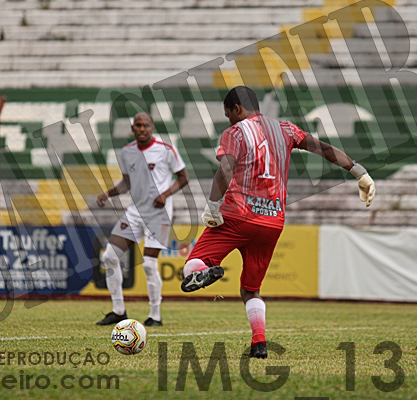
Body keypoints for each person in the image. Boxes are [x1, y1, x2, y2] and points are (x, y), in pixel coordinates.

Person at [180, 86, 376, 358]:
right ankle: (259, 343)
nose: (229, 120)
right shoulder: (286, 129)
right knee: (251, 290)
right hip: (272, 221)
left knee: (191, 266)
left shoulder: (235, 132)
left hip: (237, 216)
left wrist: (212, 206)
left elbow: (225, 168)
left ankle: (205, 271)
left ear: (237, 109)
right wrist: (359, 172)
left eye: (229, 114)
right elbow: (323, 148)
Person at [96, 112, 189, 326]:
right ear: (133, 128)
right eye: (137, 125)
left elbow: (184, 177)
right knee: (110, 256)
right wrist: (108, 194)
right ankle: (118, 311)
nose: (141, 129)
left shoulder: (166, 150)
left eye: (145, 125)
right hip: (135, 212)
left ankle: (155, 315)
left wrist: (165, 194)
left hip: (159, 214)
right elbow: (126, 183)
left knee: (148, 264)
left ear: (152, 127)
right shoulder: (127, 152)